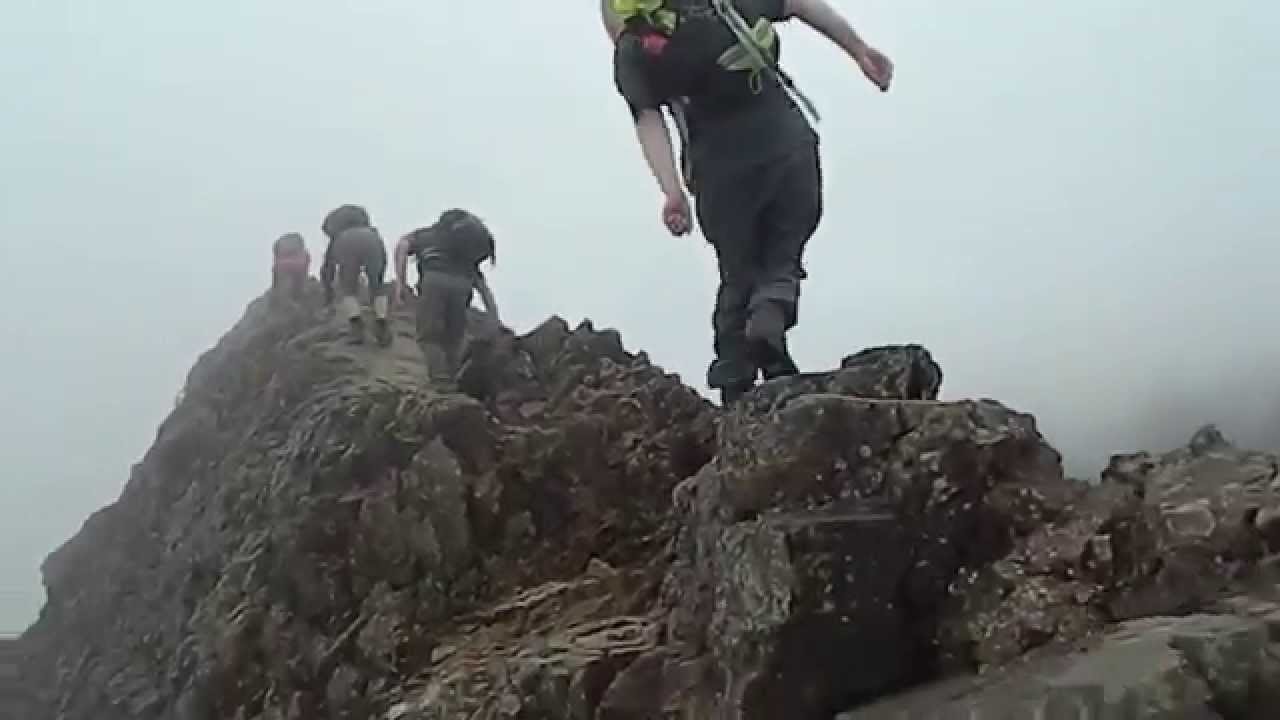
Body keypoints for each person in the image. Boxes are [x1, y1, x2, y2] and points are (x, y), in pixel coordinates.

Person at [606, 0, 893, 405]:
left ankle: (735, 381)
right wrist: (859, 49)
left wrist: (671, 190)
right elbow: (800, 5)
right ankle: (771, 316)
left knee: (737, 272)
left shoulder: (635, 49)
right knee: (784, 247)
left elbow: (647, 119)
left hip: (717, 170)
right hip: (784, 143)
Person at [393, 208, 501, 387]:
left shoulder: (426, 234)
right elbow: (480, 283)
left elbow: (402, 246)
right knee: (454, 337)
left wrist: (400, 283)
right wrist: (493, 313)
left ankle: (440, 381)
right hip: (463, 287)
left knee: (429, 335)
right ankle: (452, 379)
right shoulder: (463, 248)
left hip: (434, 281)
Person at [319, 204, 392, 346]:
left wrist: (328, 292)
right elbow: (382, 263)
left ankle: (356, 326)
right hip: (372, 240)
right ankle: (382, 324)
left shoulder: (338, 236)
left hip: (346, 242)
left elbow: (328, 267)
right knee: (378, 285)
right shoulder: (371, 231)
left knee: (348, 287)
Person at [270, 231, 311, 303]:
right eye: (284, 257)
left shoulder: (327, 297)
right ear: (275, 262)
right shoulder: (259, 309)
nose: (289, 262)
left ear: (307, 258)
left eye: (293, 255)